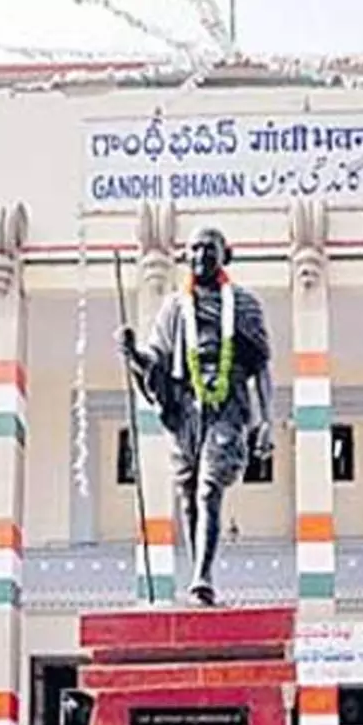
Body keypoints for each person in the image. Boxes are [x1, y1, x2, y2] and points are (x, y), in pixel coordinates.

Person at [116, 226, 274, 606]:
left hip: (227, 405)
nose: (201, 256)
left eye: (209, 249)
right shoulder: (174, 307)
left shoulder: (244, 304)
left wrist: (266, 418)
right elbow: (155, 361)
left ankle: (202, 577)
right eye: (195, 250)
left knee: (208, 489)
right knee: (187, 496)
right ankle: (197, 573)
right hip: (186, 408)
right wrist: (133, 352)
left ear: (225, 254)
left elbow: (261, 367)